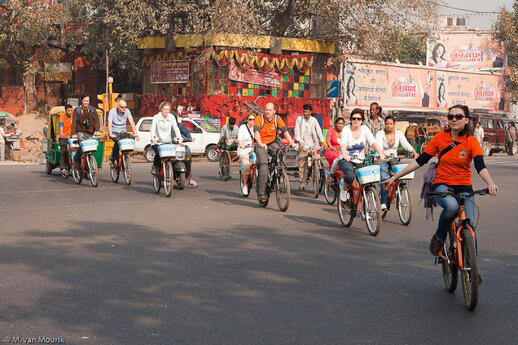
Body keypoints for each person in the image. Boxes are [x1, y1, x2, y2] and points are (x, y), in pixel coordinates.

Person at [382, 105, 498, 260]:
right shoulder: (439, 139)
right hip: (442, 184)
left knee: (470, 227)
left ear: (466, 120)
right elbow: (419, 161)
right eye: (451, 117)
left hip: (464, 186)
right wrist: (395, 177)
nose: (454, 120)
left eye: (458, 116)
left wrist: (490, 183)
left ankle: (472, 271)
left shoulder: (472, 142)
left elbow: (480, 166)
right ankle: (439, 237)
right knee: (452, 207)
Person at [337, 109, 386, 193]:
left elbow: (373, 142)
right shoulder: (346, 129)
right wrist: (344, 154)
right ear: (351, 120)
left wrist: (380, 153)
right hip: (346, 160)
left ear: (362, 120)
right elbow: (343, 144)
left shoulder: (364, 129)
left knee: (368, 180)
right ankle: (344, 191)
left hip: (360, 160)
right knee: (350, 176)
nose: (356, 120)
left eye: (358, 119)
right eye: (354, 118)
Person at [254, 102, 295, 203]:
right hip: (260, 144)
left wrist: (291, 142)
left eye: (270, 110)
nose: (267, 112)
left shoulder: (277, 119)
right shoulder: (259, 118)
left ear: (274, 111)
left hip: (272, 143)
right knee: (263, 166)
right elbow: (256, 133)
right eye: (266, 109)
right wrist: (260, 143)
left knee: (279, 152)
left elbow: (285, 131)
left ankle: (276, 174)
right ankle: (261, 194)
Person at [376, 116, 419, 210]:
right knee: (384, 178)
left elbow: (405, 144)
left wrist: (414, 152)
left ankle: (397, 189)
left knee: (400, 174)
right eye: (387, 124)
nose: (388, 126)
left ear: (394, 125)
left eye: (390, 124)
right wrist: (381, 154)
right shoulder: (380, 134)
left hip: (394, 159)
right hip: (383, 159)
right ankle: (383, 201)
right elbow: (379, 146)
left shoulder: (398, 133)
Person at [294, 104, 324, 191]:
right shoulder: (299, 119)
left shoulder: (314, 120)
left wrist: (321, 140)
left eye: (307, 112)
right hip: (303, 146)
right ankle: (302, 182)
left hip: (312, 146)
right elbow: (297, 130)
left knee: (316, 159)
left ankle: (316, 173)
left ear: (310, 112)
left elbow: (318, 130)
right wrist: (299, 140)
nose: (305, 113)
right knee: (302, 165)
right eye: (304, 111)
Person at [150, 101, 182, 175]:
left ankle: (171, 172)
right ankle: (155, 167)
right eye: (165, 109)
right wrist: (153, 137)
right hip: (157, 141)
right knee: (158, 153)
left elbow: (176, 128)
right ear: (161, 109)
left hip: (168, 142)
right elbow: (153, 128)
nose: (166, 111)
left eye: (168, 109)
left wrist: (179, 138)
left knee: (172, 157)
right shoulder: (156, 117)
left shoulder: (171, 117)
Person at [71, 95, 100, 167]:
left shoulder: (93, 110)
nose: (86, 102)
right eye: (84, 101)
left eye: (87, 101)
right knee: (82, 146)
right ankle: (76, 159)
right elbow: (74, 122)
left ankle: (88, 168)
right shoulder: (77, 110)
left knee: (89, 150)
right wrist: (73, 133)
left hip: (90, 133)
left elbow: (96, 121)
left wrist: (97, 130)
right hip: (80, 132)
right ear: (82, 101)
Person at [108, 99, 138, 166]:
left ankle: (125, 158)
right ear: (118, 106)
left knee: (129, 140)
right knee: (117, 141)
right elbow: (109, 123)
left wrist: (135, 132)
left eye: (125, 107)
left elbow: (131, 122)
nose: (124, 108)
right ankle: (112, 158)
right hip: (114, 131)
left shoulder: (127, 111)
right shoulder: (112, 111)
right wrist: (110, 133)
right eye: (122, 107)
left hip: (123, 132)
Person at [237, 114, 256, 195]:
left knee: (260, 162)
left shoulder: (257, 128)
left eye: (253, 119)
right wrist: (241, 144)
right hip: (243, 150)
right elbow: (240, 138)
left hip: (253, 149)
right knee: (247, 166)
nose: (252, 121)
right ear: (247, 120)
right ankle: (245, 185)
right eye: (250, 119)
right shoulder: (243, 128)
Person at [58, 104, 74, 174]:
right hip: (63, 136)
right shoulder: (62, 116)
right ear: (66, 111)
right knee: (63, 151)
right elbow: (61, 124)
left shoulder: (73, 116)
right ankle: (63, 168)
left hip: (71, 136)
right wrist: (61, 132)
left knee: (75, 150)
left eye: (71, 110)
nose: (70, 112)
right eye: (69, 111)